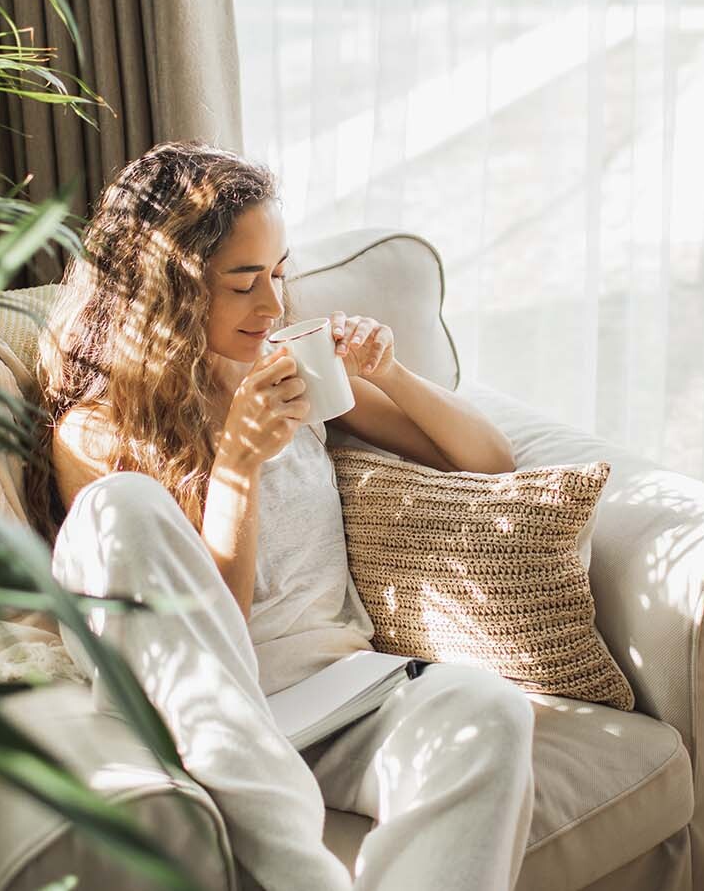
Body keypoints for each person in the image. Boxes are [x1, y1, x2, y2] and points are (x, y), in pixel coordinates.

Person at [38, 141, 535, 891]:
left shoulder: (289, 376)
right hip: (219, 717)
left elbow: (490, 462)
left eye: (277, 274)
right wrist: (237, 465)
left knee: (488, 709)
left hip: (345, 697)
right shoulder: (98, 432)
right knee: (124, 506)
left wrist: (390, 374)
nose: (273, 306)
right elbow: (209, 635)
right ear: (168, 288)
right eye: (244, 283)